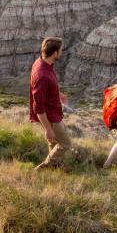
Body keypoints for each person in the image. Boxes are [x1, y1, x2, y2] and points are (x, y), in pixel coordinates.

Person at [29, 37, 71, 170]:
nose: (61, 53)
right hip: (51, 116)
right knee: (65, 143)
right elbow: (38, 107)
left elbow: (47, 90)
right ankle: (45, 167)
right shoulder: (42, 75)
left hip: (53, 111)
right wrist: (47, 128)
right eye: (60, 51)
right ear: (55, 53)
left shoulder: (41, 62)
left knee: (53, 141)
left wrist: (58, 94)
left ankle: (55, 166)